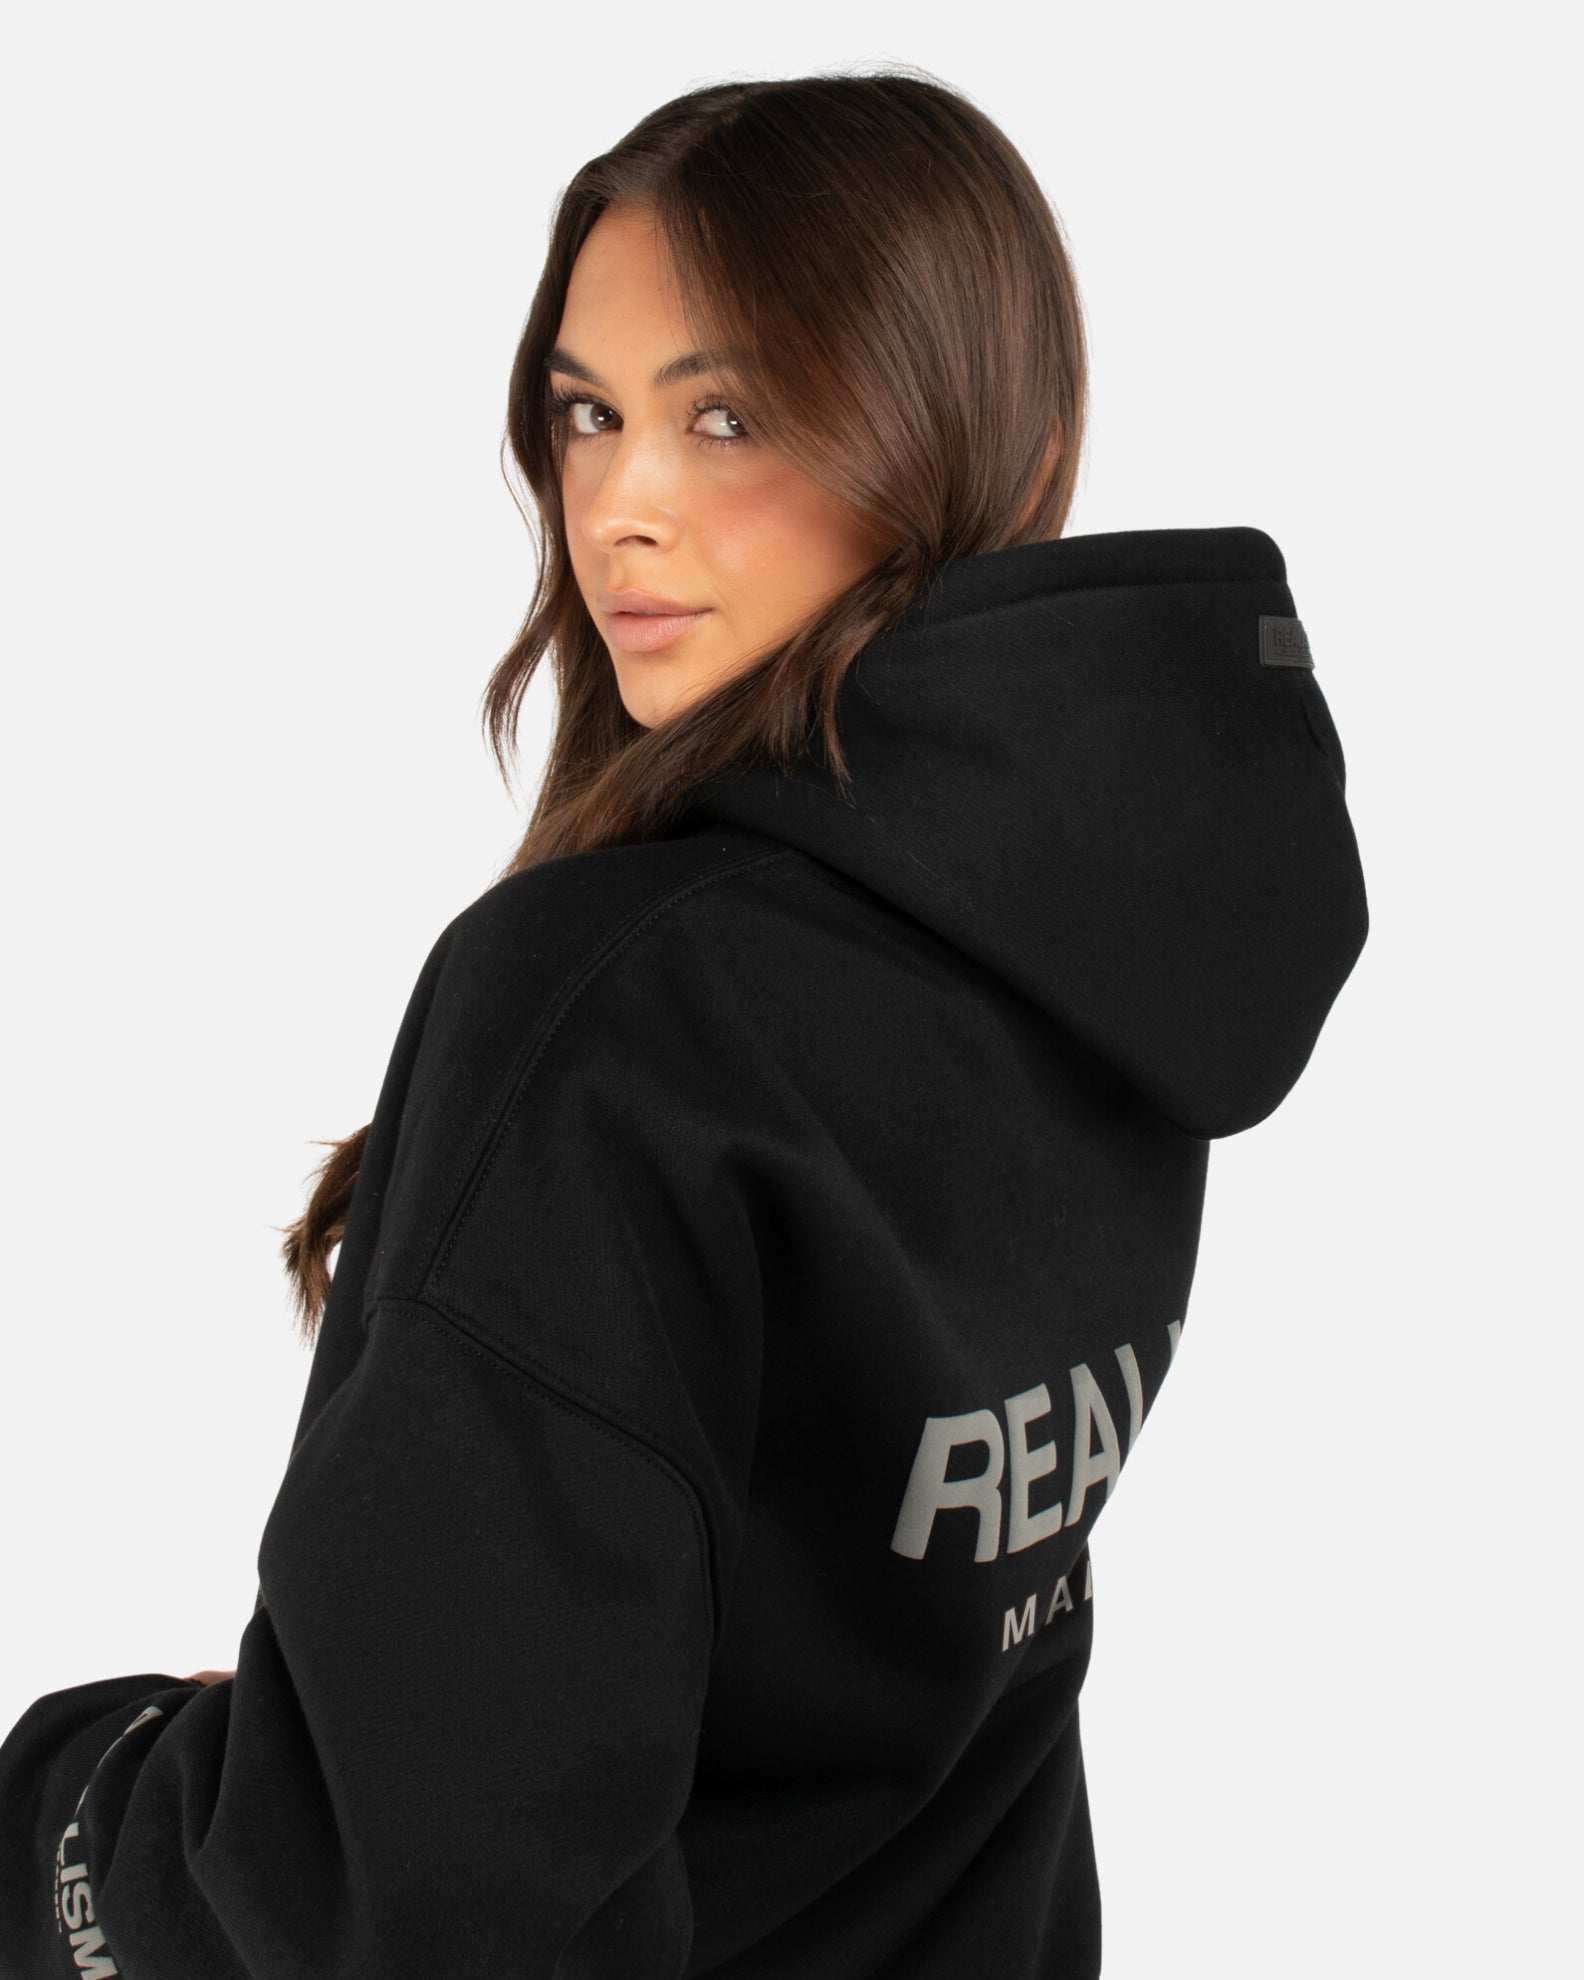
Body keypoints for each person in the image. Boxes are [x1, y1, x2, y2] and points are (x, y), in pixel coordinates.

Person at [0, 66, 1368, 1980]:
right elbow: (860, 1685)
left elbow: (396, 1912)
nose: (621, 506)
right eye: (588, 414)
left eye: (728, 416)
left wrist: (73, 1803)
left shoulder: (621, 1009)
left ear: (988, 434)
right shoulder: (1097, 934)